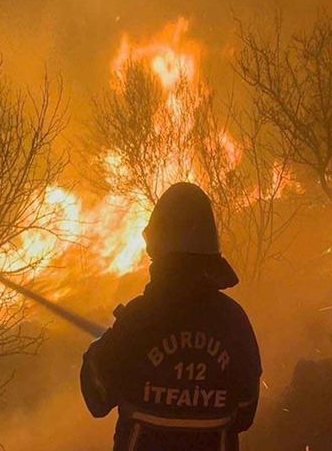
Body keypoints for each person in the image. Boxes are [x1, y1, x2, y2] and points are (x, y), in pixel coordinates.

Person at [81, 183, 261, 451]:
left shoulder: (138, 320)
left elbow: (97, 397)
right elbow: (245, 412)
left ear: (158, 249)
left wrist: (107, 346)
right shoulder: (234, 321)